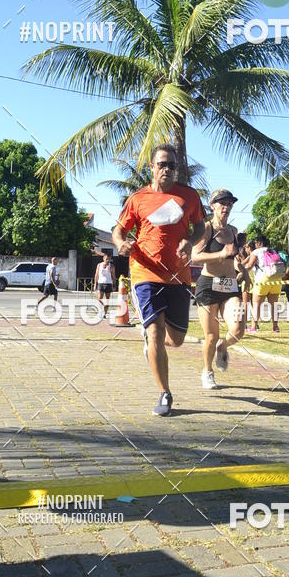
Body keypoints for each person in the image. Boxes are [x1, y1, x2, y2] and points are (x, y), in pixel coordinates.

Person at [112, 144, 205, 417]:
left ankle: (153, 346)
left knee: (176, 339)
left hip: (178, 276)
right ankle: (164, 393)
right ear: (151, 167)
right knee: (155, 331)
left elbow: (201, 227)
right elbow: (118, 231)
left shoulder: (189, 196)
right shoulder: (138, 198)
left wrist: (190, 241)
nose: (167, 169)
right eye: (162, 164)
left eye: (172, 165)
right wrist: (120, 244)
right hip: (145, 272)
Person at [191, 189, 244, 389]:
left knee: (238, 329)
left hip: (230, 286)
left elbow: (234, 257)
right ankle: (207, 372)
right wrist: (220, 254)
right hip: (208, 286)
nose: (226, 207)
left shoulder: (234, 231)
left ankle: (223, 347)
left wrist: (242, 270)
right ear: (212, 206)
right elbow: (195, 256)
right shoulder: (206, 229)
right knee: (211, 336)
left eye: (230, 204)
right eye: (222, 203)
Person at [244, 235, 286, 332]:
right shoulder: (273, 251)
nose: (255, 244)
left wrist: (241, 271)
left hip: (263, 279)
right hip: (276, 279)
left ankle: (254, 326)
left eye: (256, 242)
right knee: (274, 305)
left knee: (256, 304)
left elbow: (250, 266)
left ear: (259, 243)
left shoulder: (256, 252)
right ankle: (275, 326)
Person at [94, 253, 116, 317]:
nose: (108, 260)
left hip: (108, 284)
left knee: (107, 300)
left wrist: (114, 285)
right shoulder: (99, 265)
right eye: (106, 259)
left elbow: (113, 276)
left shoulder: (111, 266)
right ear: (103, 259)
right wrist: (95, 284)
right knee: (99, 299)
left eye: (109, 259)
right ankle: (100, 311)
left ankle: (104, 314)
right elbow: (96, 275)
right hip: (100, 283)